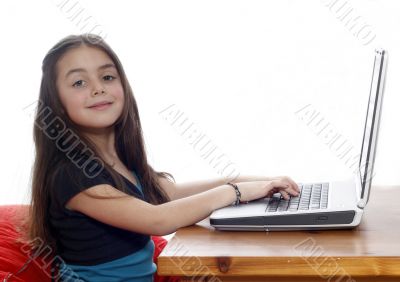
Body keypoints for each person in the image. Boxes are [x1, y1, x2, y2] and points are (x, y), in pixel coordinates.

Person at [27, 33, 300, 281]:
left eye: (107, 77)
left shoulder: (120, 159)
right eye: (79, 82)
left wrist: (261, 182)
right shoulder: (71, 175)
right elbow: (158, 219)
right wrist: (236, 192)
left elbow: (171, 193)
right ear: (58, 106)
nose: (98, 88)